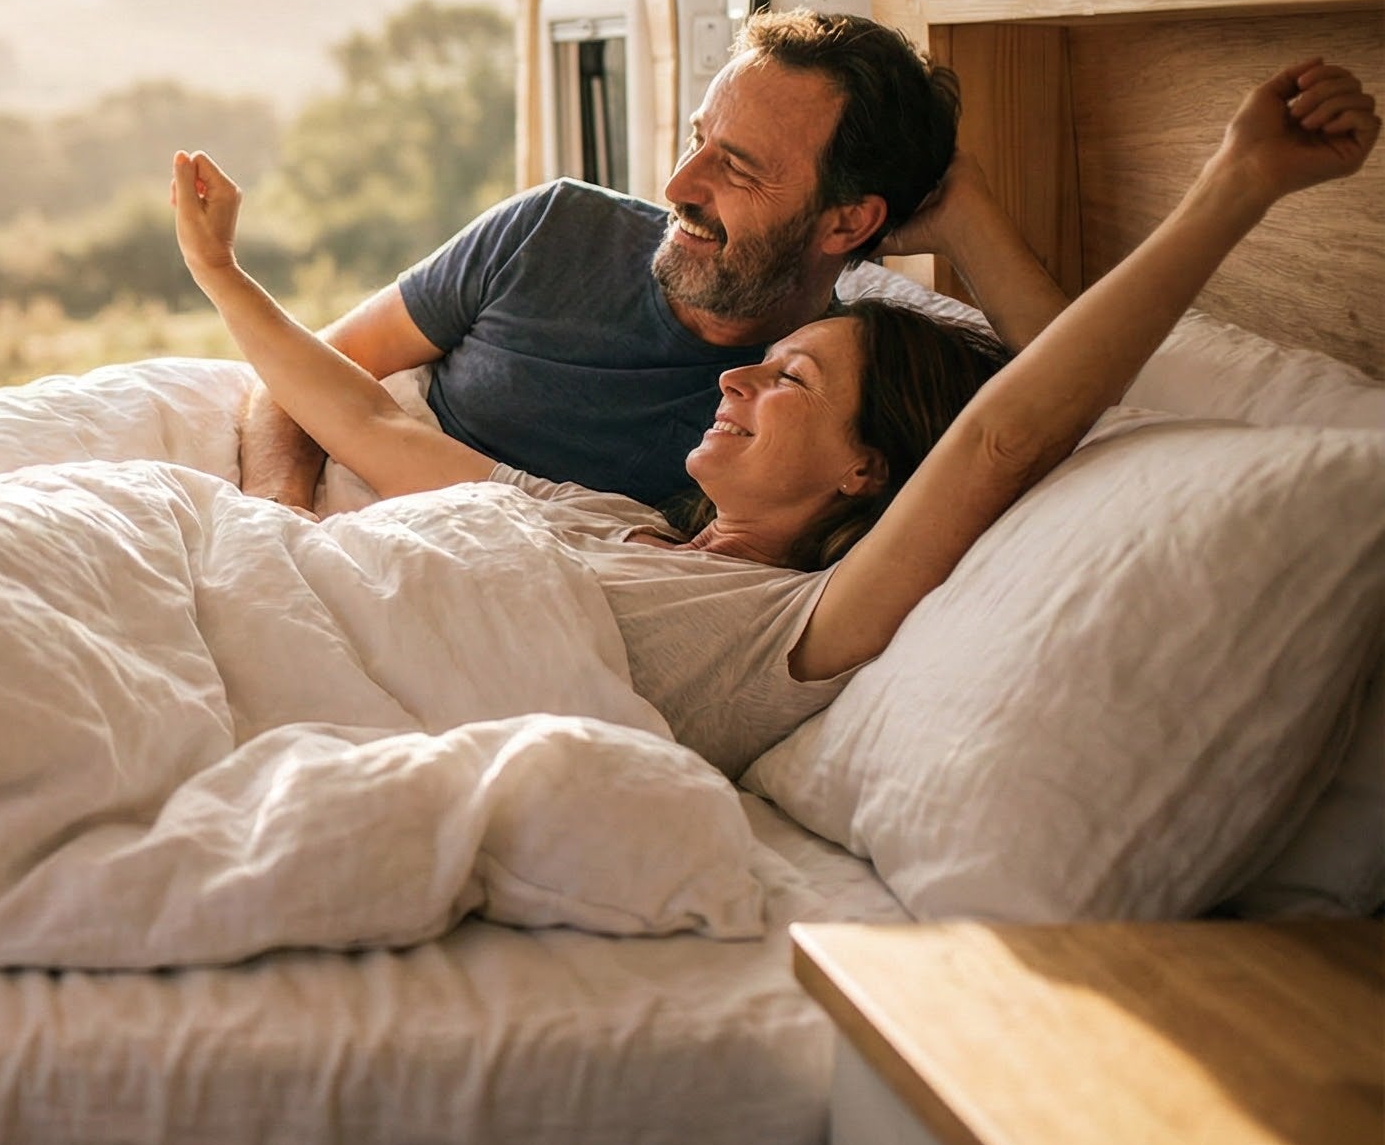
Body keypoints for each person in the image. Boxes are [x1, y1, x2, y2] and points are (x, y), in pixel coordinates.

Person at [174, 60, 1376, 775]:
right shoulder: (605, 517)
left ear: (864, 473)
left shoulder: (791, 630)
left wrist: (1237, 184)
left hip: (304, 712)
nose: (734, 380)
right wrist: (223, 274)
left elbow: (1014, 429)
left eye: (787, 381)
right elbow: (363, 419)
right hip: (256, 628)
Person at [238, 9, 1071, 513]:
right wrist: (281, 511)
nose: (678, 185)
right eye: (697, 140)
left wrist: (964, 213)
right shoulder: (554, 228)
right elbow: (306, 373)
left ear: (849, 221)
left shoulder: (828, 390)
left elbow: (1073, 406)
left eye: (737, 167)